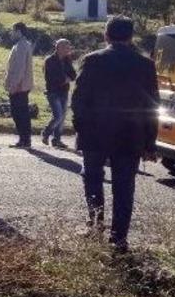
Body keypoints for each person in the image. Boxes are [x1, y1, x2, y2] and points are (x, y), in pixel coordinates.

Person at [71, 16, 159, 252]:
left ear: (106, 35)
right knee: (124, 186)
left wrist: (80, 128)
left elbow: (78, 100)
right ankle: (119, 238)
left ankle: (95, 224)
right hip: (130, 136)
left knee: (92, 178)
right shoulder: (145, 65)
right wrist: (150, 143)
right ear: (131, 37)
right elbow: (152, 106)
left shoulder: (92, 61)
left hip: (95, 134)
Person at [42, 39, 76, 148]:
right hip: (53, 92)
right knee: (58, 116)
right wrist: (64, 79)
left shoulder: (67, 60)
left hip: (64, 92)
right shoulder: (49, 60)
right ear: (59, 48)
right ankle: (46, 132)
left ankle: (57, 140)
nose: (69, 49)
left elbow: (73, 74)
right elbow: (51, 77)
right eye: (67, 47)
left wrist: (67, 78)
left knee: (62, 118)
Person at [5, 22, 34, 147]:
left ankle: (24, 139)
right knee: (21, 113)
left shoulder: (21, 46)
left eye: (13, 31)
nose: (12, 33)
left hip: (19, 87)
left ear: (19, 31)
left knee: (19, 113)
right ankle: (24, 139)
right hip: (20, 86)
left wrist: (15, 85)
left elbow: (20, 67)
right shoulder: (21, 45)